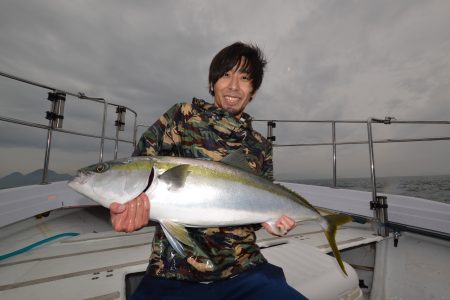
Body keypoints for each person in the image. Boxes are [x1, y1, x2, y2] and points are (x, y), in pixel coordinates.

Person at [110, 42, 308, 300]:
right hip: (173, 272)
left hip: (245, 269)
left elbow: (259, 207)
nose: (234, 86)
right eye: (226, 75)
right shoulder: (180, 118)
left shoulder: (259, 145)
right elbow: (137, 173)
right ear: (212, 82)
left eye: (245, 78)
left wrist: (273, 222)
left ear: (253, 91)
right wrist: (125, 207)